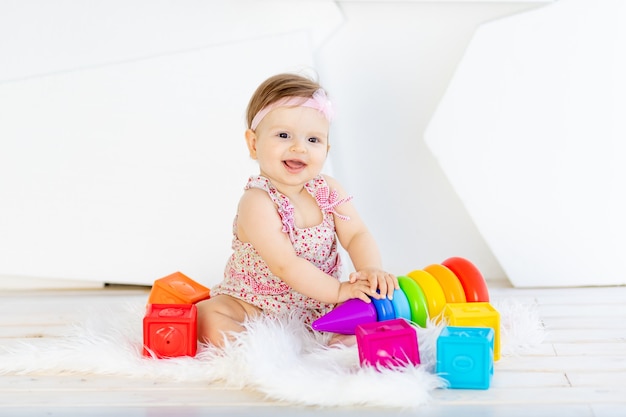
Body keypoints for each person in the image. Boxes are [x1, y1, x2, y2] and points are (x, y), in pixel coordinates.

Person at [196, 72, 397, 348]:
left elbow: (356, 234)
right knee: (208, 314)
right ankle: (258, 348)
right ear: (254, 144)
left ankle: (324, 346)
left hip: (320, 305)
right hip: (256, 304)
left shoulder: (328, 190)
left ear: (327, 148)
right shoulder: (257, 201)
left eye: (313, 140)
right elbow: (285, 264)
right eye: (283, 135)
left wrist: (370, 269)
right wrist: (338, 290)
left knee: (368, 319)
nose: (299, 147)